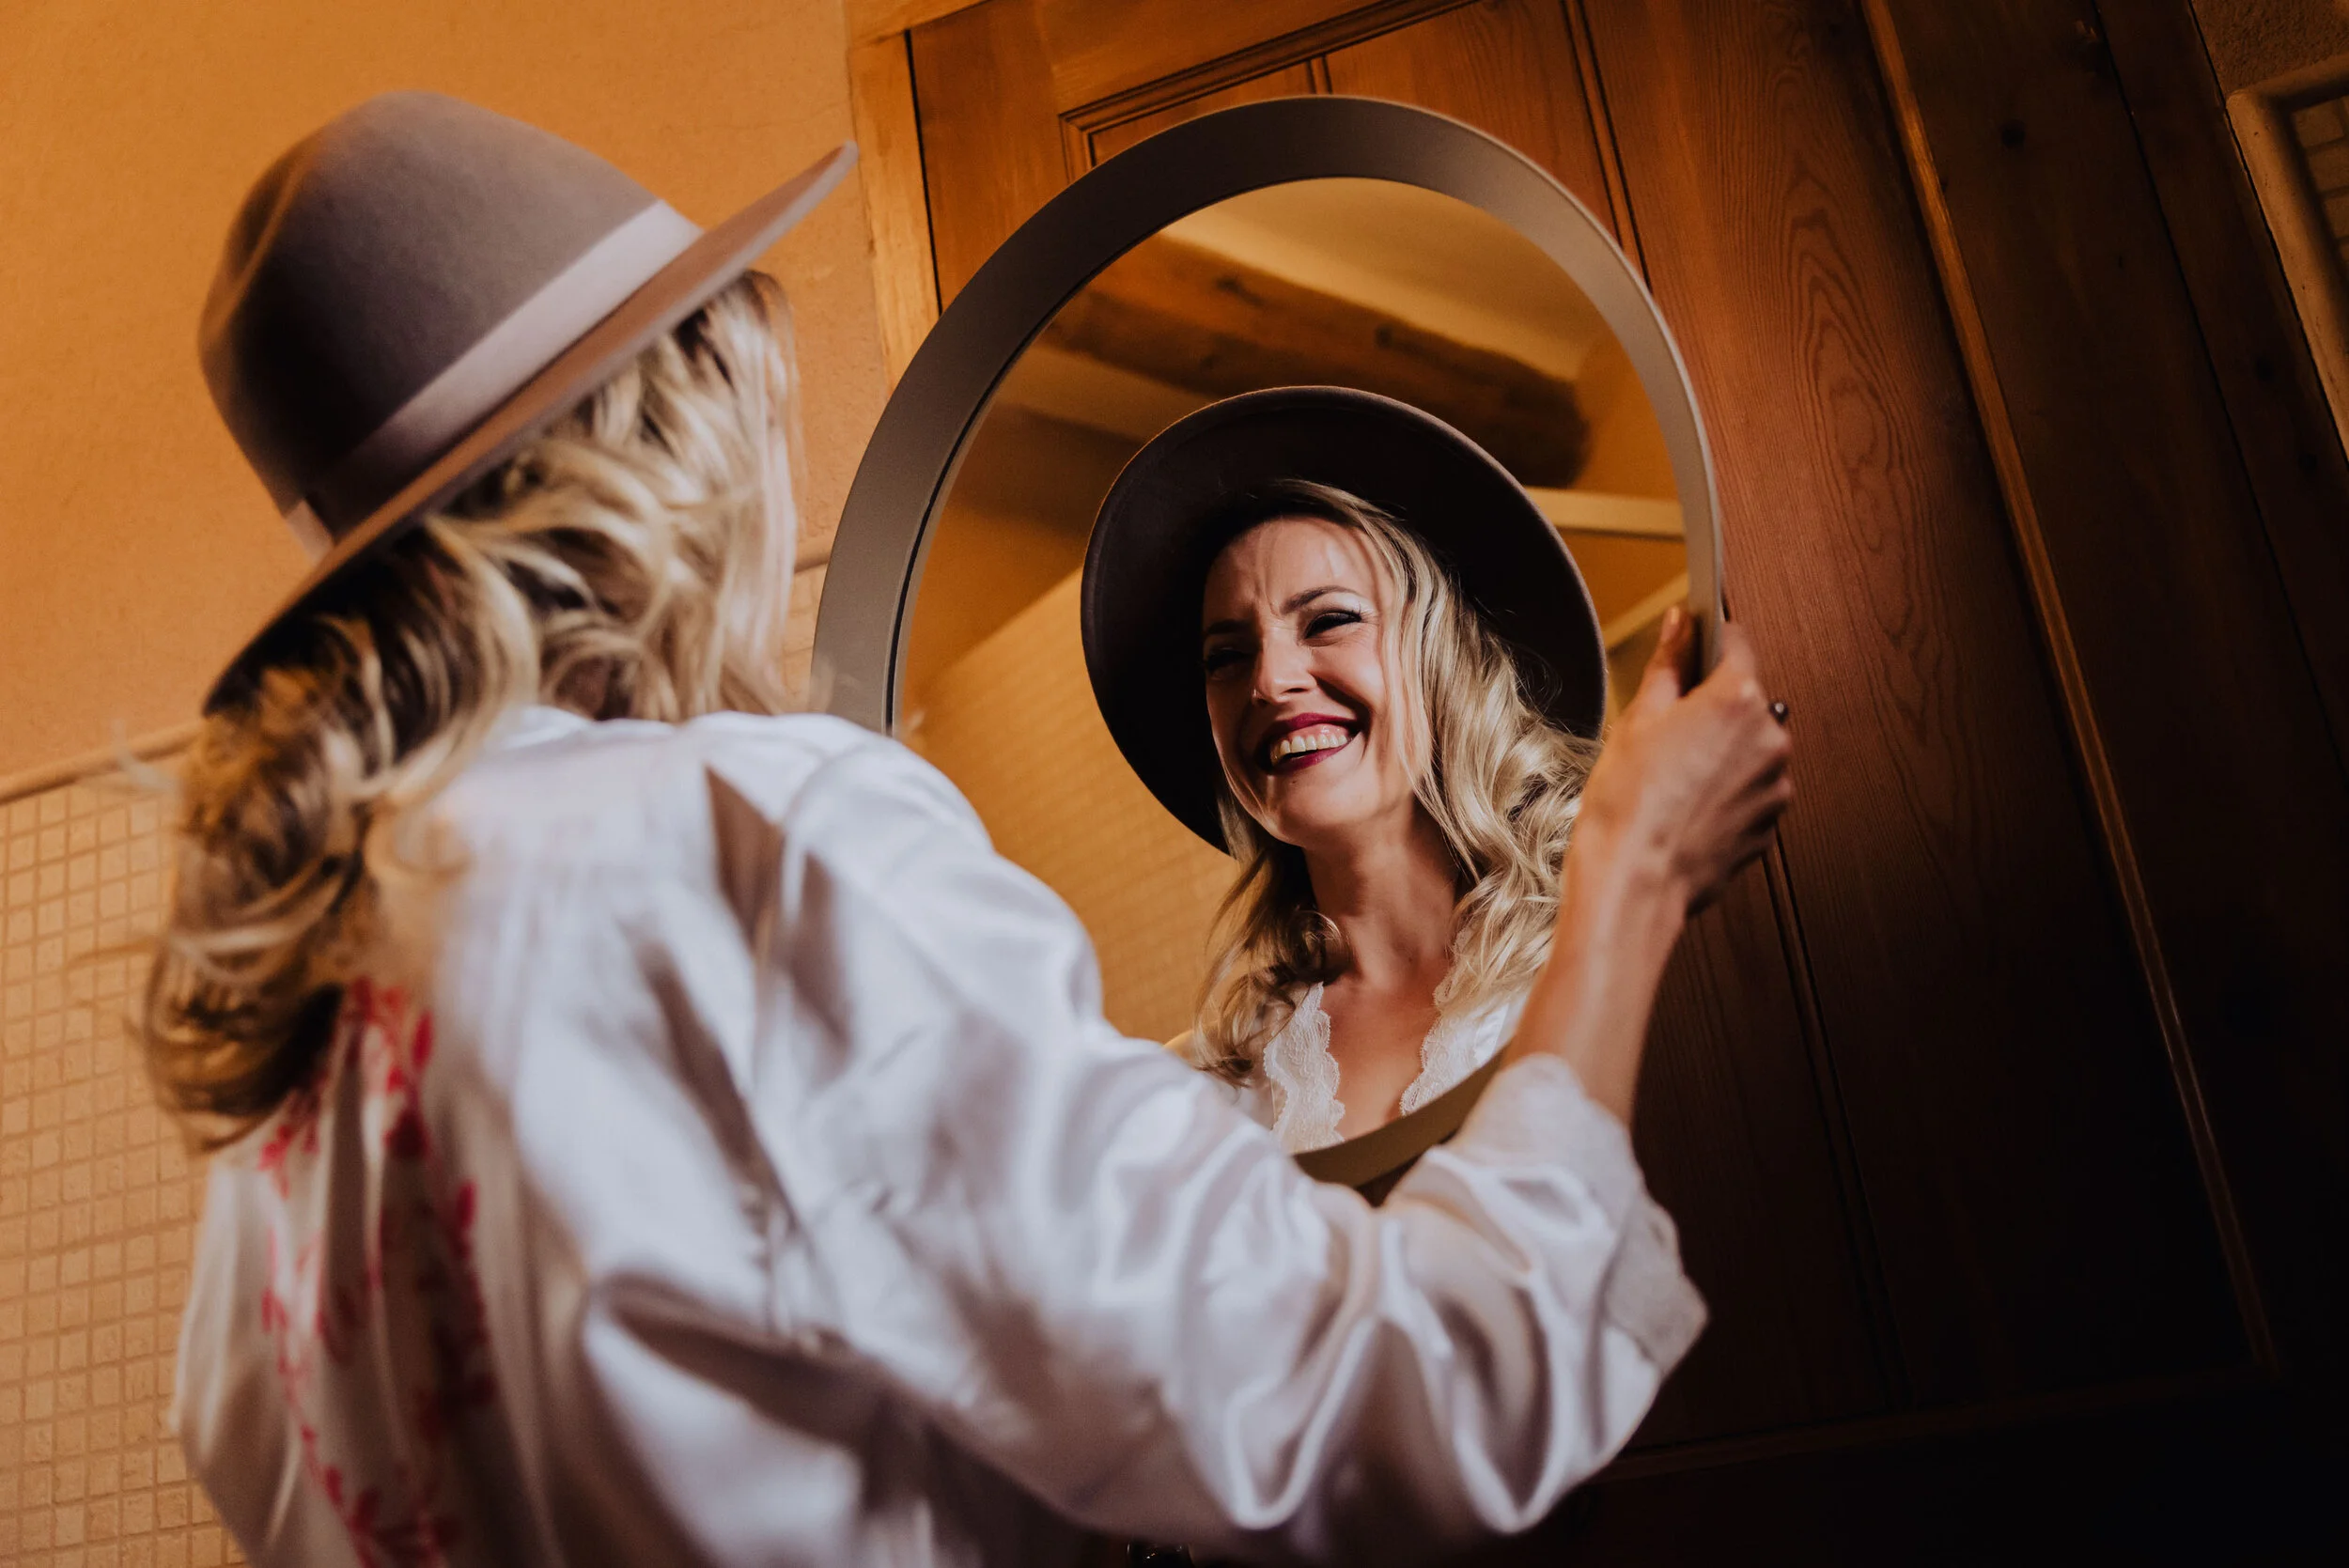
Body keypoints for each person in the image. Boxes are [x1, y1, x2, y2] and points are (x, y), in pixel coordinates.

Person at [151, 94, 1793, 1567]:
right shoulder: (746, 843)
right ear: (681, 432)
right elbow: (1398, 1404)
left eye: (1327, 622)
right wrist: (1634, 868)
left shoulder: (274, 1109)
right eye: (1228, 646)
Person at [1080, 389, 1654, 1155]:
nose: (1269, 680)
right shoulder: (1195, 1099)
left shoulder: (1604, 960)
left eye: (1330, 619)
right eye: (1226, 655)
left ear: (1445, 659)